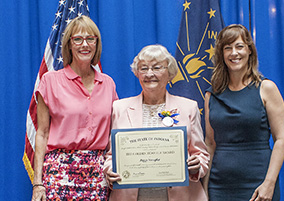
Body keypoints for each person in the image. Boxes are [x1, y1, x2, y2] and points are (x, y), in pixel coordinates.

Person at [103, 44, 210, 201]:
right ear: (137, 73)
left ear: (169, 73)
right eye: (143, 68)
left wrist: (197, 165)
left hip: (181, 196)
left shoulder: (188, 107)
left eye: (157, 67)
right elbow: (112, 155)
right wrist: (110, 170)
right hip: (130, 196)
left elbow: (201, 154)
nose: (149, 74)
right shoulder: (120, 108)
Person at [31, 15, 118, 201]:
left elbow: (114, 134)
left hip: (97, 173)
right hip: (59, 172)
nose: (84, 44)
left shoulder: (108, 83)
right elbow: (42, 133)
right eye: (77, 39)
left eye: (90, 39)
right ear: (69, 45)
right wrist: (37, 183)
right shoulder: (50, 81)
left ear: (97, 44)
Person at [202, 24, 284, 201]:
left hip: (258, 184)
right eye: (228, 48)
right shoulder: (211, 95)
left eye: (239, 46)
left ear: (250, 50)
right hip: (219, 186)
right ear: (222, 54)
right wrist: (204, 189)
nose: (234, 53)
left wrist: (269, 183)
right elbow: (210, 144)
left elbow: (281, 139)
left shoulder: (266, 88)